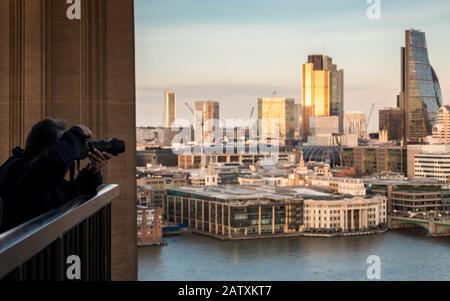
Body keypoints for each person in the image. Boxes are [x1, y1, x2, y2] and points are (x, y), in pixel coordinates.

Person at [0, 118, 112, 233]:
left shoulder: (38, 173)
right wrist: (76, 134)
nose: (69, 150)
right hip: (23, 249)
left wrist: (92, 174)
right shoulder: (17, 169)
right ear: (48, 150)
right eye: (63, 143)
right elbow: (52, 165)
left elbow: (67, 196)